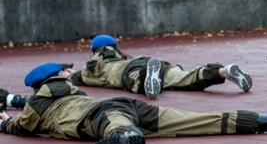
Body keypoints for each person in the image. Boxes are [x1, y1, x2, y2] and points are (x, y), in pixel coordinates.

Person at [0, 62, 267, 144]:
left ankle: (125, 135)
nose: (70, 71)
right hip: (127, 106)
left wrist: (4, 124)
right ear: (56, 76)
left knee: (115, 126)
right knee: (201, 120)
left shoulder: (40, 101)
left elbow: (23, 126)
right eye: (65, 70)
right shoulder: (68, 90)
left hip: (102, 115)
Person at [70, 35, 253, 99]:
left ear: (94, 51)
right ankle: (222, 71)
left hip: (129, 71)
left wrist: (68, 74)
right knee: (187, 78)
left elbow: (75, 78)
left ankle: (148, 77)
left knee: (134, 81)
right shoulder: (125, 57)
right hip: (150, 62)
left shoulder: (92, 68)